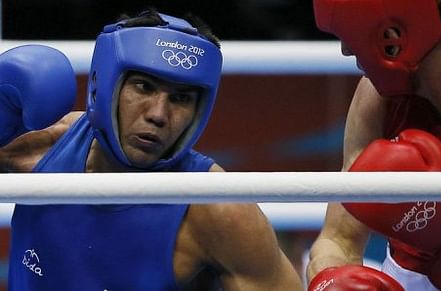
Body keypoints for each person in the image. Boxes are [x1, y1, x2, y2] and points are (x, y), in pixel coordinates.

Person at [0, 9, 303, 290]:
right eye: (144, 87)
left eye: (181, 98)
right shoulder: (50, 145)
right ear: (104, 86)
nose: (158, 114)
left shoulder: (217, 208)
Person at [307, 0, 441, 290]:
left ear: (392, 37)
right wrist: (331, 280)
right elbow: (338, 240)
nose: (347, 51)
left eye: (350, 35)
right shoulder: (379, 99)